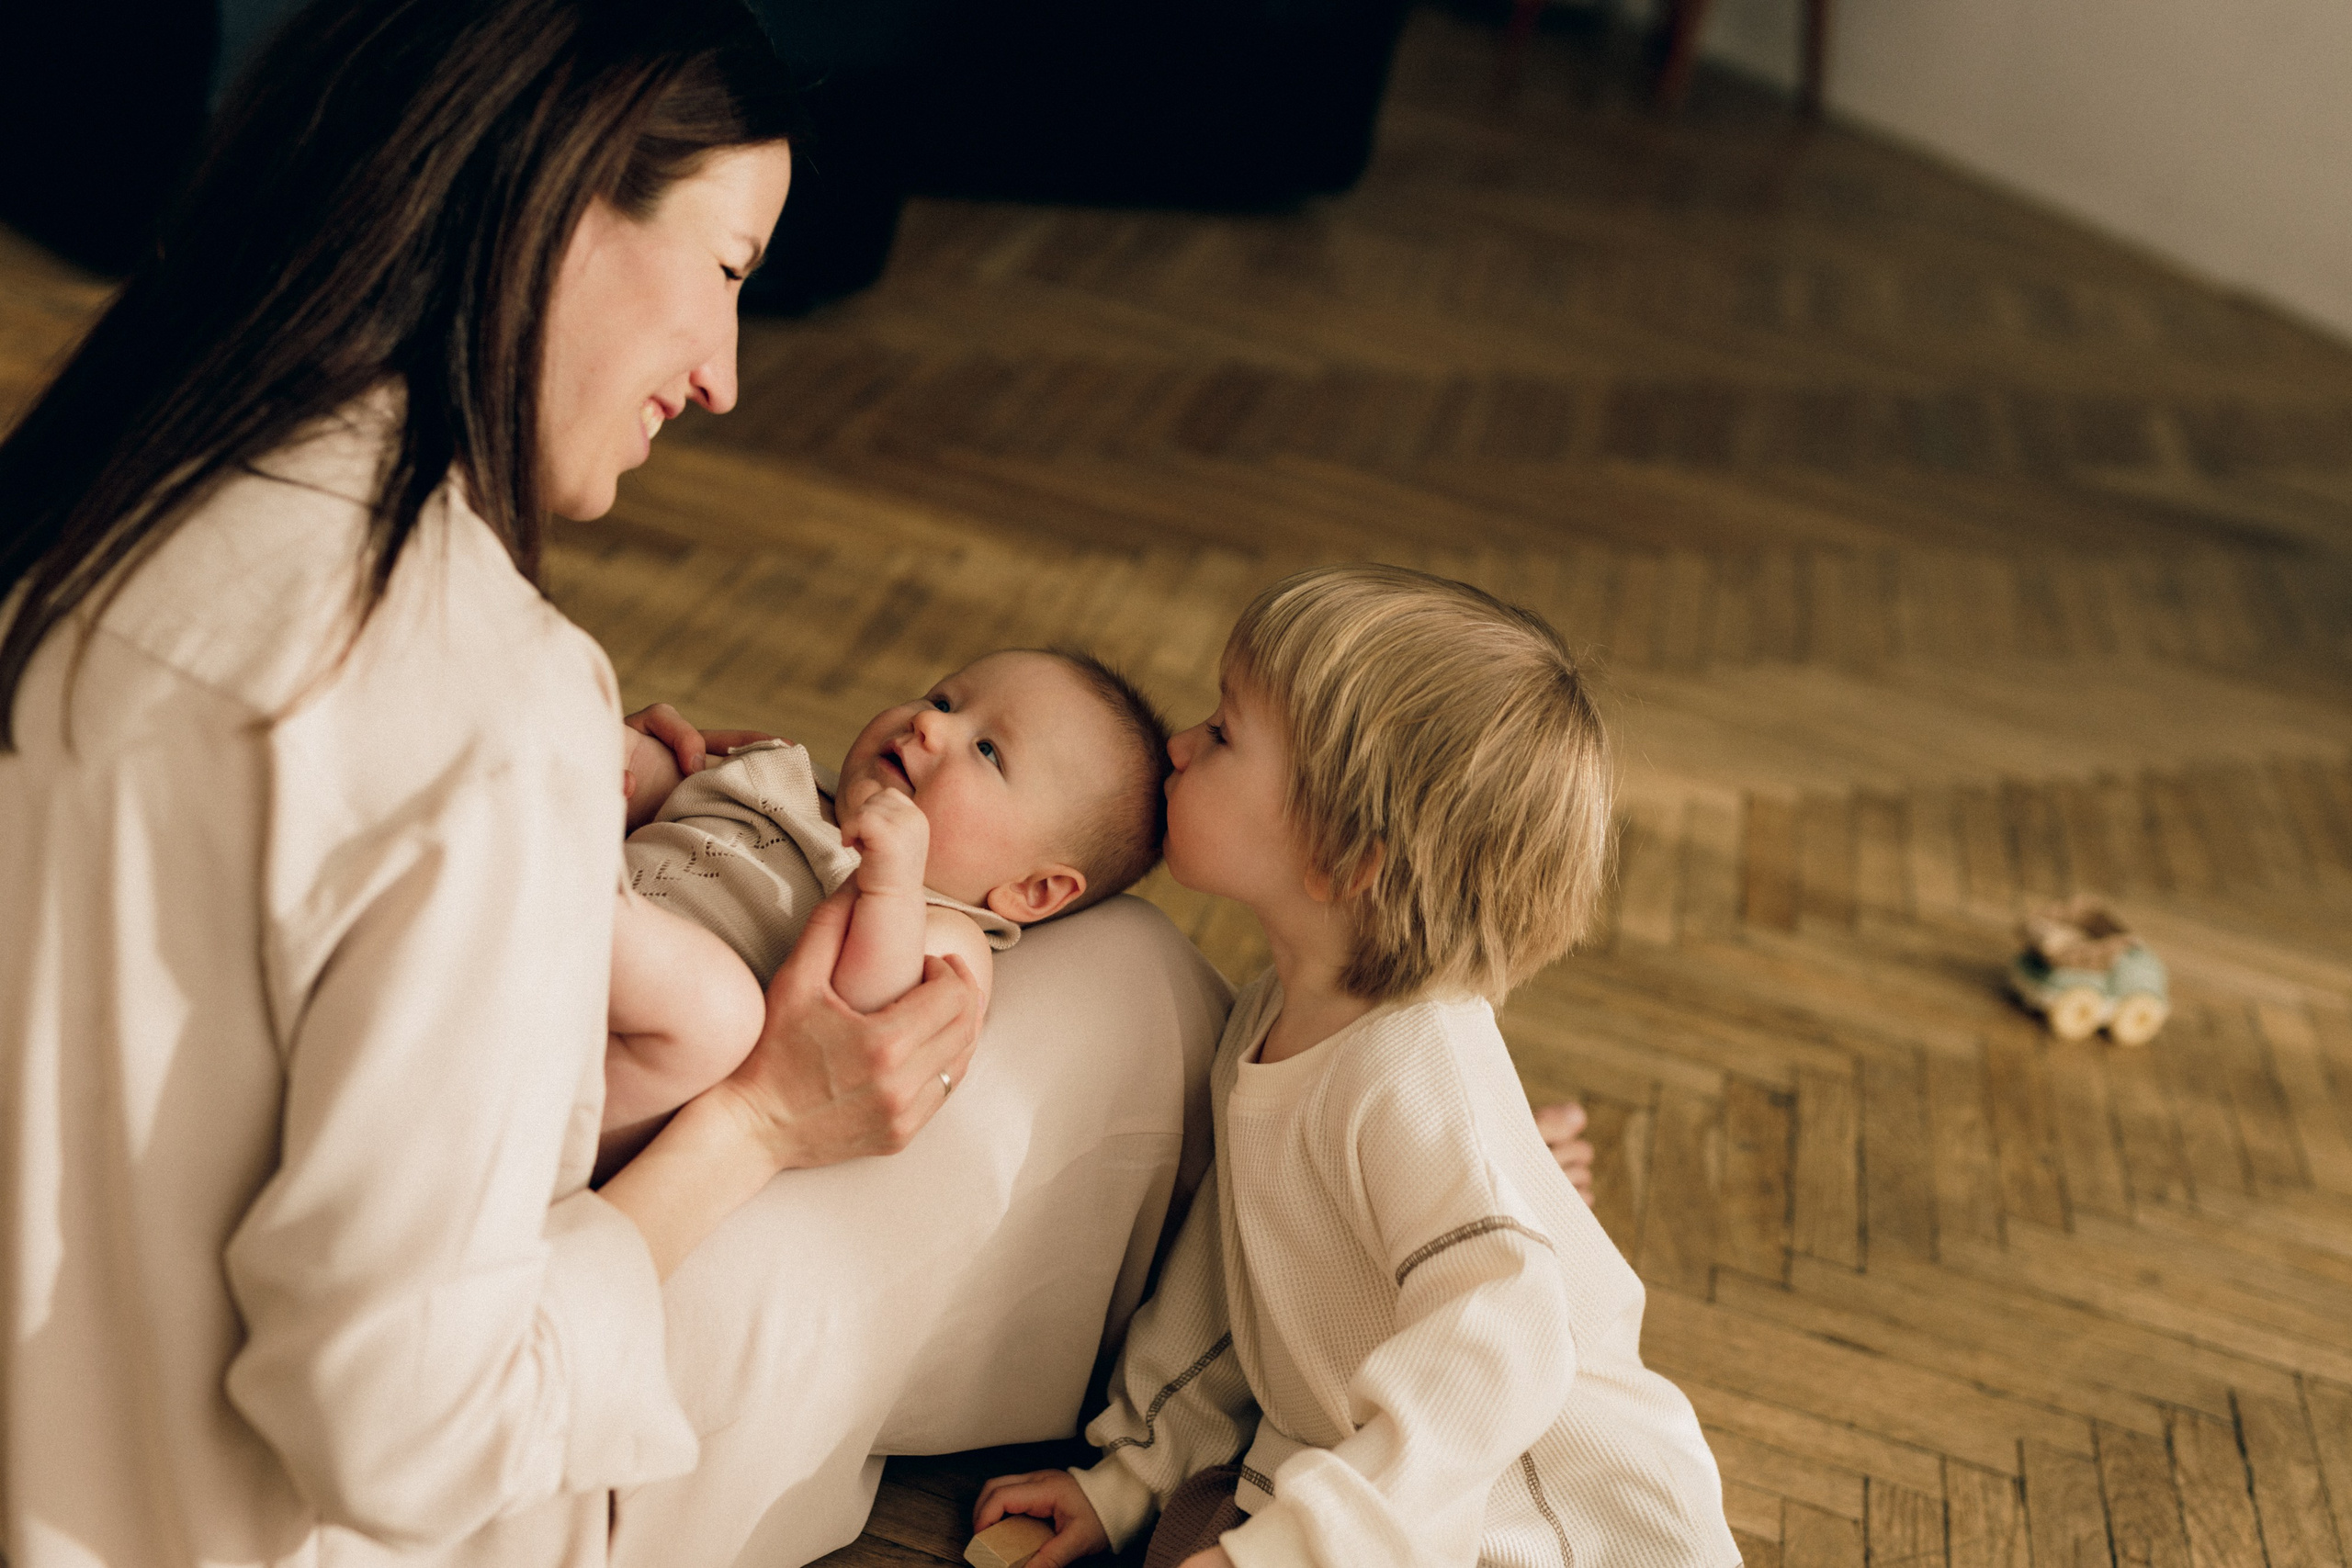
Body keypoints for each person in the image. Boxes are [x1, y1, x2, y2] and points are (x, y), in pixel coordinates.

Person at [0, 4, 1226, 1565]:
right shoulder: (465, 696)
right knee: (1123, 985)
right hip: (250, 1510)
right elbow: (403, 1430)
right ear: (556, 212)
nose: (721, 377)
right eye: (726, 272)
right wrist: (763, 1126)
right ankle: (1322, 1201)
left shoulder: (79, 512)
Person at [972, 566, 1736, 1568]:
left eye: (1224, 733)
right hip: (1369, 1486)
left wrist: (1306, 1546)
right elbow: (1229, 1286)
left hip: (1545, 1520)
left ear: (1344, 860)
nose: (1178, 745)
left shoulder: (1409, 1070)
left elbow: (1504, 1335)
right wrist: (1133, 1475)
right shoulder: (1274, 1013)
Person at [604, 649, 1170, 1151]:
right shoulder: (785, 773)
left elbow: (863, 1032)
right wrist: (625, 753)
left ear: (1033, 889)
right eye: (944, 700)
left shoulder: (942, 927)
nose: (927, 723)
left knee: (713, 1005)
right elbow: (651, 793)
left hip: (626, 1062)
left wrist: (890, 885)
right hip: (558, 962)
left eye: (989, 750)